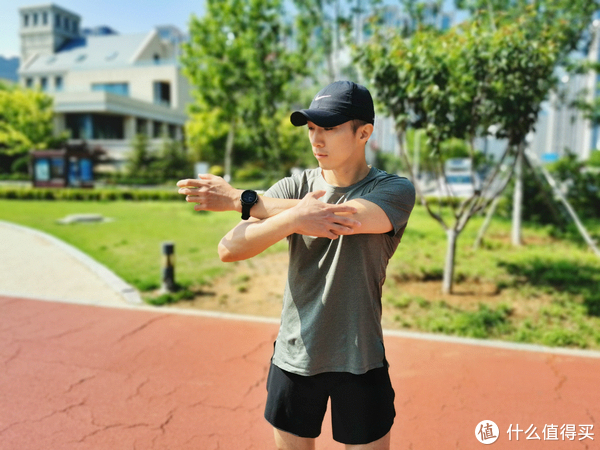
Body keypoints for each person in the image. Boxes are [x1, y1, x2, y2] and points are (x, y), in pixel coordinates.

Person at [177, 80, 415, 450]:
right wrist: (292, 218)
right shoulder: (295, 186)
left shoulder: (394, 190)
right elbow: (229, 248)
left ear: (364, 133)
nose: (316, 139)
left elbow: (341, 217)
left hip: (361, 356)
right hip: (294, 355)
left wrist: (240, 199)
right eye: (311, 128)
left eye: (329, 128)